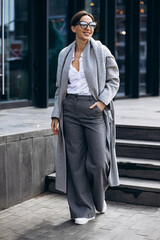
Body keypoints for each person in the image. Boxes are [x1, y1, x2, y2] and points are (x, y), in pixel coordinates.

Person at [51, 10, 120, 225]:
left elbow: (113, 80)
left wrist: (101, 103)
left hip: (93, 109)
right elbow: (59, 88)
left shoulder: (101, 51)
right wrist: (56, 114)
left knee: (99, 161)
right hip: (69, 109)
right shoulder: (64, 54)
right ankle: (82, 209)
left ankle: (99, 199)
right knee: (76, 162)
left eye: (91, 24)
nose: (88, 27)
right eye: (83, 24)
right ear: (73, 28)